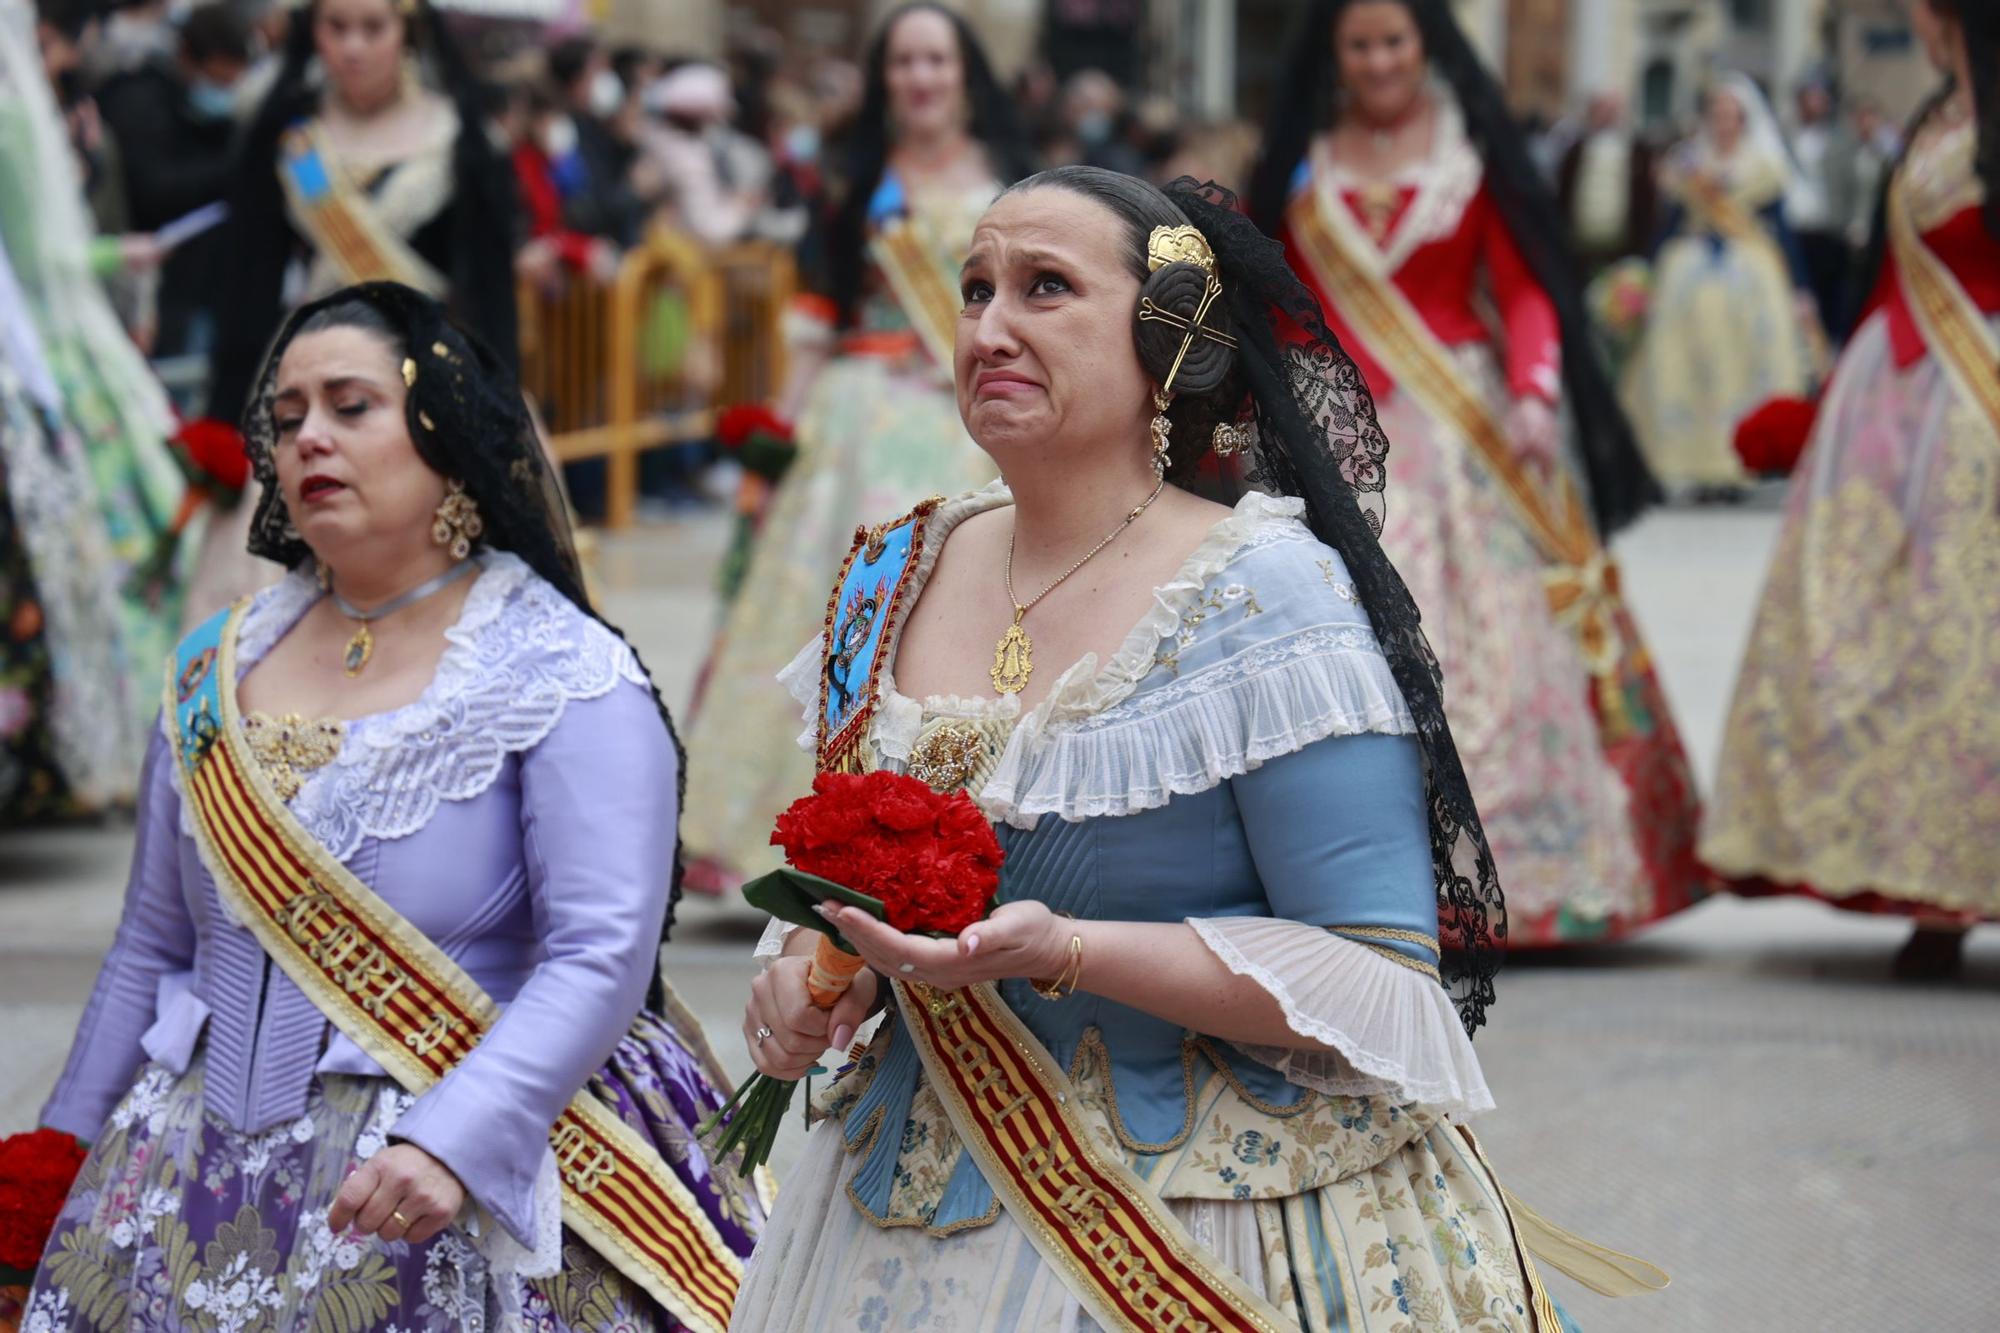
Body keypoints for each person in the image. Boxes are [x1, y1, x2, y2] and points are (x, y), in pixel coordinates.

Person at [729, 166, 1663, 1330]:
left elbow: (1378, 978)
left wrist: (1067, 947)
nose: (989, 326)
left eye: (1045, 287)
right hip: (904, 1206)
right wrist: (801, 984)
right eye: (974, 289)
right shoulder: (890, 573)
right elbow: (835, 896)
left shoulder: (1262, 592)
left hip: (1204, 1223)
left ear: (1164, 339)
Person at [22, 282, 764, 1333]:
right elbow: (151, 942)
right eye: (286, 419)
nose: (309, 438)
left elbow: (598, 953)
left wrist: (455, 1139)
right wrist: (52, 1158)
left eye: (349, 405)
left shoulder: (557, 672)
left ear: (442, 433)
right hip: (175, 1189)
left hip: (447, 1189)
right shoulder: (211, 670)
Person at [1247, 0, 1702, 945]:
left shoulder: (1471, 159)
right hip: (1338, 429)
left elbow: (1524, 284)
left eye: (1394, 42)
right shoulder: (1307, 165)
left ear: (1427, 48)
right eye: (1360, 45)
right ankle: (1363, 878)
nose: (1378, 62)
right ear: (1337, 58)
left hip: (1465, 424)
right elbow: (1285, 300)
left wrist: (1536, 388)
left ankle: (1522, 877)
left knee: (1499, 637)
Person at [680, 2, 1032, 891]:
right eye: (904, 63)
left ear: (964, 75)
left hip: (965, 412)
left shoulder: (1019, 181)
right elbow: (819, 305)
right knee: (832, 604)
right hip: (857, 410)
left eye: (936, 62)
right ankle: (794, 825)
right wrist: (778, 427)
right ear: (885, 79)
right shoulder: (857, 176)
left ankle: (943, 814)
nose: (920, 78)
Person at [1703, 0, 2000, 981]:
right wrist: (1825, 404)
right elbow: (1888, 279)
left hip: (1976, 401)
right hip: (1896, 403)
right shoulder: (1933, 119)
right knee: (1913, 647)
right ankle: (1932, 884)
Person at [205, 0, 518, 429]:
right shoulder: (290, 135)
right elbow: (248, 281)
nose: (353, 47)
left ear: (407, 31)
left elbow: (492, 292)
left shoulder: (461, 141)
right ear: (313, 29)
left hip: (430, 381)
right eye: (336, 27)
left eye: (373, 29)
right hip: (309, 379)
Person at [3, 0, 183, 713]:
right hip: (49, 345)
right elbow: (42, 257)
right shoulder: (19, 121)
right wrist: (119, 251)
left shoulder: (33, 117)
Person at [1623, 73, 1823, 494]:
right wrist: (1644, 273)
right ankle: (1692, 462)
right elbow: (1669, 225)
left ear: (1744, 120)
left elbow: (1782, 230)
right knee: (1681, 355)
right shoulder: (1690, 167)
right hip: (1691, 268)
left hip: (1749, 270)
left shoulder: (1762, 168)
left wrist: (1800, 287)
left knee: (1746, 358)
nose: (1723, 122)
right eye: (1717, 114)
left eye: (1731, 115)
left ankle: (1742, 461)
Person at [94, 2, 251, 359]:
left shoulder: (211, 119)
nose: (222, 93)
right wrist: (230, 171)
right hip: (146, 282)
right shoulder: (138, 100)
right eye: (216, 80)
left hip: (206, 282)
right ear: (188, 58)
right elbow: (155, 189)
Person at [1557, 90, 1659, 275]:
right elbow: (1563, 192)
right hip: (1580, 244)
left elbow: (1648, 197)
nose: (1607, 116)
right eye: (1602, 110)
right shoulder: (1576, 151)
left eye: (1612, 111)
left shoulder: (1638, 151)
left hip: (1625, 244)